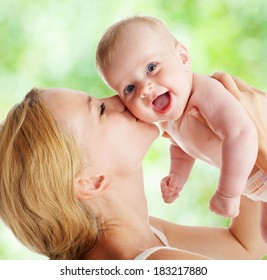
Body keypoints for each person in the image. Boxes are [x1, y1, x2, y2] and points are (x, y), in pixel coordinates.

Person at [0, 80, 267, 260]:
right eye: (101, 110)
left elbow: (245, 246)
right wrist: (261, 141)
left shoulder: (140, 237)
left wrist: (237, 147)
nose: (120, 98)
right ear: (92, 182)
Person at [95, 16, 267, 239]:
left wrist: (228, 193)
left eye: (151, 67)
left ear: (183, 58)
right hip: (258, 183)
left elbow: (241, 134)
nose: (145, 89)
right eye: (129, 88)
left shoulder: (205, 92)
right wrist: (177, 175)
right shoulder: (168, 121)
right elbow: (183, 148)